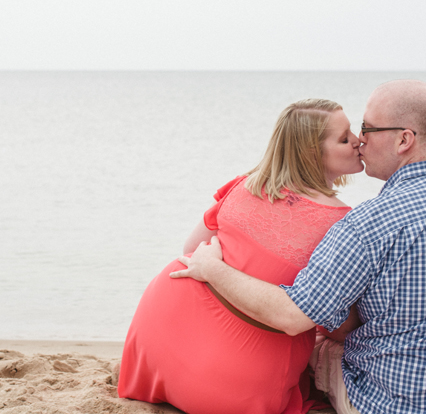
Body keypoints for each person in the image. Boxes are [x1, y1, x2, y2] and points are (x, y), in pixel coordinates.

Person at [172, 80, 426, 414]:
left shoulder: (370, 220)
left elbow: (292, 316)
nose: (359, 140)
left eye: (367, 128)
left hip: (397, 403)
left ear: (404, 139)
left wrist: (213, 269)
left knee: (318, 343)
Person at [118, 98, 366, 414]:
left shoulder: (246, 184)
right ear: (311, 153)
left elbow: (192, 248)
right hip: (239, 375)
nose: (359, 141)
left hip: (157, 334)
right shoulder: (341, 222)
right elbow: (336, 324)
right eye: (345, 138)